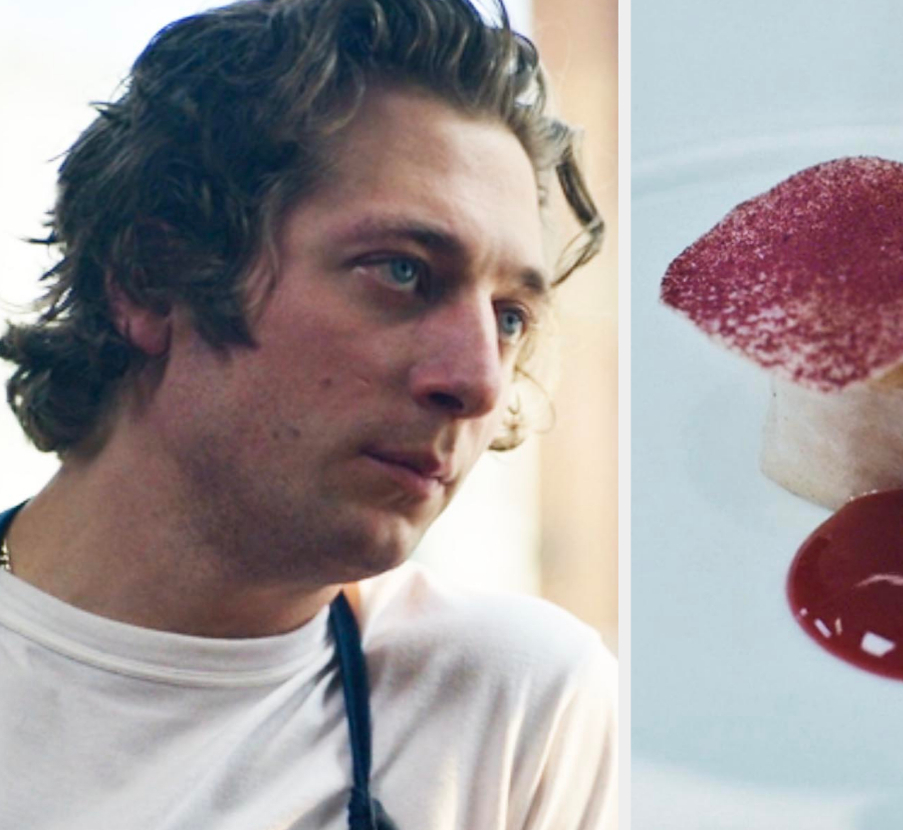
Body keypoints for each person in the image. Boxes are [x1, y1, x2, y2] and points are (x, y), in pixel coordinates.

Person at [0, 0, 616, 828]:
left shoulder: (512, 703)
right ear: (151, 279)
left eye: (509, 317)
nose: (478, 382)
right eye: (401, 272)